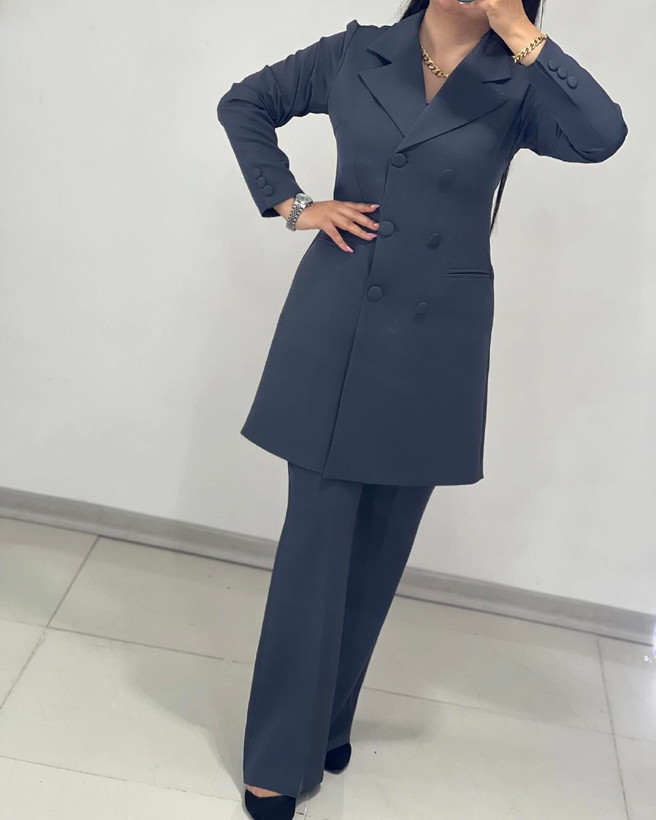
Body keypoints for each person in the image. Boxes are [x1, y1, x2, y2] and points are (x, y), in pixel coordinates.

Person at [216, 1, 628, 817]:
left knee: (378, 556)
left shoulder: (520, 78)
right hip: (339, 321)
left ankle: (326, 727)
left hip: (437, 341)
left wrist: (519, 31)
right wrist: (292, 204)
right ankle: (277, 758)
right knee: (315, 552)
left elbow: (602, 135)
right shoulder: (356, 52)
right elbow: (245, 102)